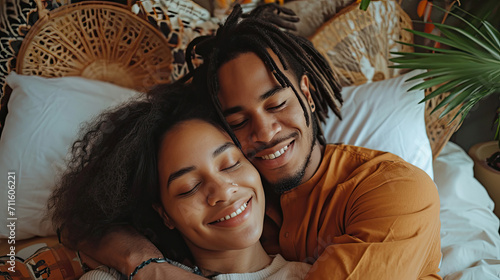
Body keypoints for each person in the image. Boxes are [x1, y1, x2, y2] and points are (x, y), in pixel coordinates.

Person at [57, 4, 442, 279]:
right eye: (238, 121)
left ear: (307, 95)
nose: (265, 132)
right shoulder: (239, 186)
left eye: (276, 104)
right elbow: (83, 223)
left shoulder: (395, 189)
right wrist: (147, 264)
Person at [49, 83, 312, 280]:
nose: (221, 191)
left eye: (231, 164)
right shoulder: (117, 276)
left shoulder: (320, 273)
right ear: (165, 215)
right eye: (189, 187)